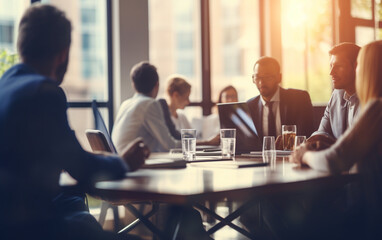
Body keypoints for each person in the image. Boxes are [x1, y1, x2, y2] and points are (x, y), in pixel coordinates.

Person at [0, 4, 146, 240]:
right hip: (30, 230)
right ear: (63, 54)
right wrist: (124, 164)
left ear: (21, 45)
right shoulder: (44, 93)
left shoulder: (5, 86)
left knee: (82, 218)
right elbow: (82, 168)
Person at [290, 40, 382, 239]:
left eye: (361, 65)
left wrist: (304, 155)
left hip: (369, 208)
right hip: (358, 198)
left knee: (293, 215)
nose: (331, 73)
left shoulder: (377, 107)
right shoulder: (369, 104)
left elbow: (336, 160)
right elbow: (330, 139)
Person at [112, 62, 182, 153]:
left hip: (118, 159)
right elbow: (170, 145)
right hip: (132, 163)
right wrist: (199, 144)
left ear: (133, 85)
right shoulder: (150, 104)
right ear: (157, 85)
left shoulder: (125, 103)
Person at [247, 56, 315, 142]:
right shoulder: (249, 106)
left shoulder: (299, 99)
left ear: (279, 77)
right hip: (262, 155)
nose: (261, 82)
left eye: (267, 77)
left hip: (293, 154)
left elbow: (305, 136)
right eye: (257, 77)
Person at [308, 43, 361, 146]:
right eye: (331, 66)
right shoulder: (336, 95)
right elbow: (322, 132)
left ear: (356, 66)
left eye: (338, 66)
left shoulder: (373, 97)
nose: (331, 72)